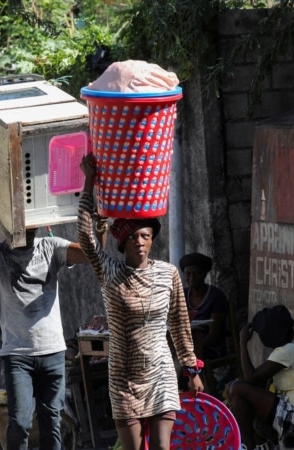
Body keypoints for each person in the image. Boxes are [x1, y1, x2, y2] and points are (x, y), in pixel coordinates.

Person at [77, 154, 203, 450]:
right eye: (133, 237)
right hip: (123, 378)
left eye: (145, 236)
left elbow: (179, 324)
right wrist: (89, 182)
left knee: (162, 447)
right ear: (122, 243)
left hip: (160, 372)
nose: (140, 241)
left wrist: (191, 368)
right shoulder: (111, 272)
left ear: (152, 240)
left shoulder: (168, 274)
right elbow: (86, 239)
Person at [0, 204, 89, 450]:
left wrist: (97, 226)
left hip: (52, 352)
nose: (27, 227)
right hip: (17, 355)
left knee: (51, 422)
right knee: (21, 422)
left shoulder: (51, 246)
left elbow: (90, 254)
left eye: (31, 220)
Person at [227, 304, 294, 450]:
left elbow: (250, 378)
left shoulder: (287, 352)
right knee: (237, 394)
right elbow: (254, 382)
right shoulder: (288, 349)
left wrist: (242, 343)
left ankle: (247, 446)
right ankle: (247, 444)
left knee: (237, 388)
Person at [179, 252, 229, 359]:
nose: (191, 278)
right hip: (188, 345)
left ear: (204, 274)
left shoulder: (216, 296)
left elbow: (213, 336)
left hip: (210, 348)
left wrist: (191, 347)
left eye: (196, 273)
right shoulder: (182, 295)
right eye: (188, 274)